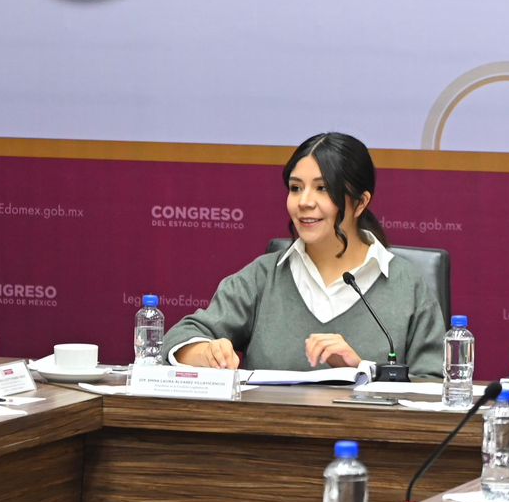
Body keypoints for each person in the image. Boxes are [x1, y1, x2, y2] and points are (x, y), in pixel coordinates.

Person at [161, 133, 445, 376]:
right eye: (296, 188)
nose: (304, 202)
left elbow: (433, 385)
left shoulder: (408, 286)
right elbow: (180, 338)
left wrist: (363, 370)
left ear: (360, 203)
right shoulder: (264, 277)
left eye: (323, 189)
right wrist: (206, 352)